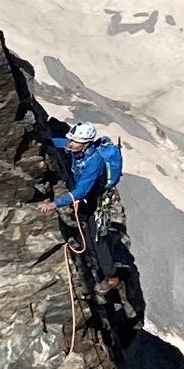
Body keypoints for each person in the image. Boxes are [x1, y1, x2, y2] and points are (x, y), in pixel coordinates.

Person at [38, 121, 121, 295]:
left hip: (95, 199)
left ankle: (111, 276)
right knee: (88, 237)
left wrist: (54, 204)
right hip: (86, 197)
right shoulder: (79, 149)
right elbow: (64, 144)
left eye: (76, 142)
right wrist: (45, 140)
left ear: (86, 143)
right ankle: (93, 264)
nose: (71, 144)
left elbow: (81, 191)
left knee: (97, 239)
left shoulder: (95, 161)